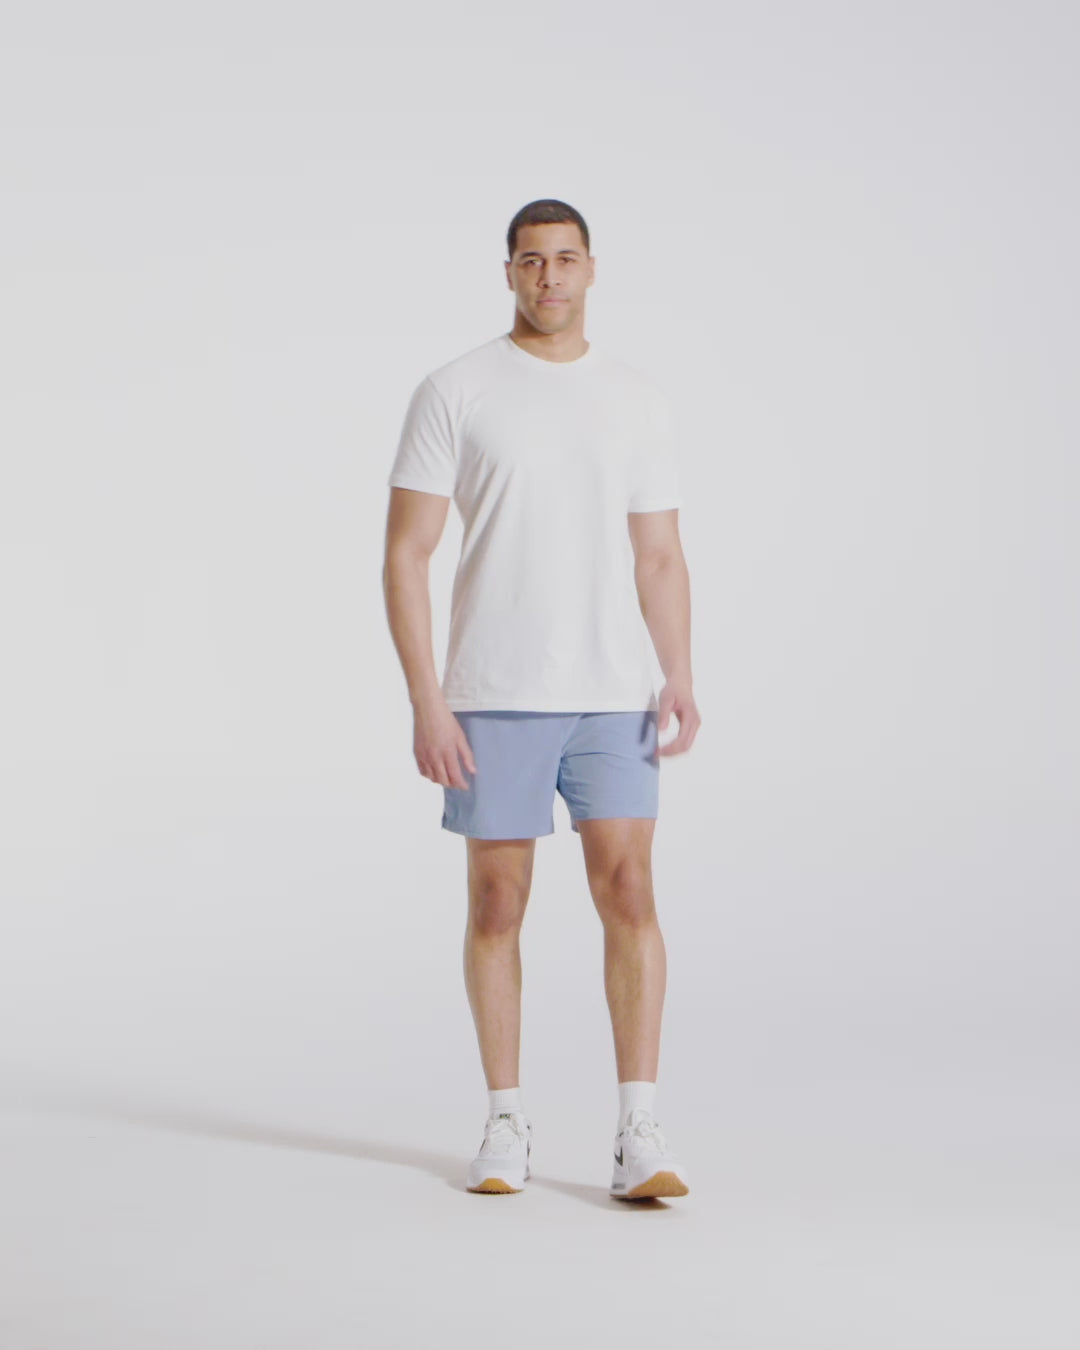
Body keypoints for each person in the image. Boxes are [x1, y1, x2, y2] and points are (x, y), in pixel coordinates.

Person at [382, 198, 700, 1200]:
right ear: (509, 272)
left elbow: (660, 554)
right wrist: (428, 700)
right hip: (494, 691)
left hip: (613, 693)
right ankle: (506, 1120)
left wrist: (679, 671)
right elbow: (406, 553)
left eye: (566, 259)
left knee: (631, 893)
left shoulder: (636, 398)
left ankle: (638, 1130)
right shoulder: (456, 390)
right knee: (496, 902)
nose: (550, 277)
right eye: (532, 261)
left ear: (592, 269)